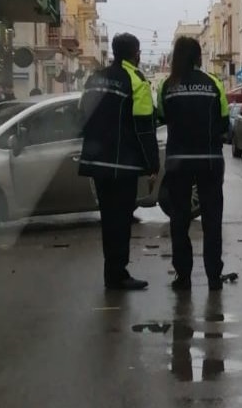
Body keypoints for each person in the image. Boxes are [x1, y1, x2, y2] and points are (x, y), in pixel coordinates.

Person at [78, 33, 159, 290]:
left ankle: (111, 271)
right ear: (135, 53)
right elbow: (144, 127)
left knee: (108, 219)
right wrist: (152, 165)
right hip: (123, 164)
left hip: (98, 162)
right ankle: (118, 274)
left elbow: (82, 113)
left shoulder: (94, 78)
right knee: (121, 220)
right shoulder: (136, 80)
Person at [157, 37, 229, 292]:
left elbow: (162, 116)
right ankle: (213, 277)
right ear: (199, 57)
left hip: (178, 162)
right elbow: (224, 123)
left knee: (179, 219)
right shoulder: (215, 85)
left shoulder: (167, 87)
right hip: (210, 160)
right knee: (212, 219)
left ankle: (183, 277)